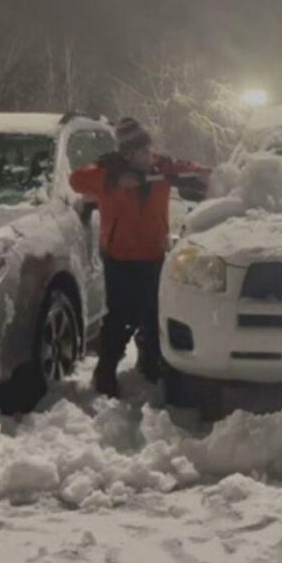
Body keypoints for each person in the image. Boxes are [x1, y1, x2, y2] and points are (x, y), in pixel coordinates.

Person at [69, 117, 210, 397]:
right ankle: (106, 370)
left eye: (149, 150)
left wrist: (205, 173)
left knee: (153, 313)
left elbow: (190, 169)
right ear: (128, 154)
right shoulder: (108, 169)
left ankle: (150, 363)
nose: (149, 156)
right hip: (120, 259)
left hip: (154, 256)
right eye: (142, 152)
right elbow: (77, 180)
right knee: (119, 315)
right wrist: (114, 181)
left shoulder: (161, 166)